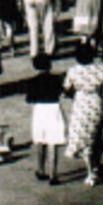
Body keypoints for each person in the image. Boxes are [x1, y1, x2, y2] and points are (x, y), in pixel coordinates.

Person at [63, 40, 103, 186]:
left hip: (81, 105)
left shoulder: (73, 71)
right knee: (97, 137)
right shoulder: (101, 70)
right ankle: (96, 167)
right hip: (97, 105)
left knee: (85, 141)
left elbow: (67, 88)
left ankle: (90, 171)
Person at [25, 54, 66, 184]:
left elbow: (29, 99)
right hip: (53, 109)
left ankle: (41, 169)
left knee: (40, 140)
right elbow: (63, 92)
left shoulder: (32, 81)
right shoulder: (57, 79)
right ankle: (53, 174)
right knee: (53, 142)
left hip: (40, 110)